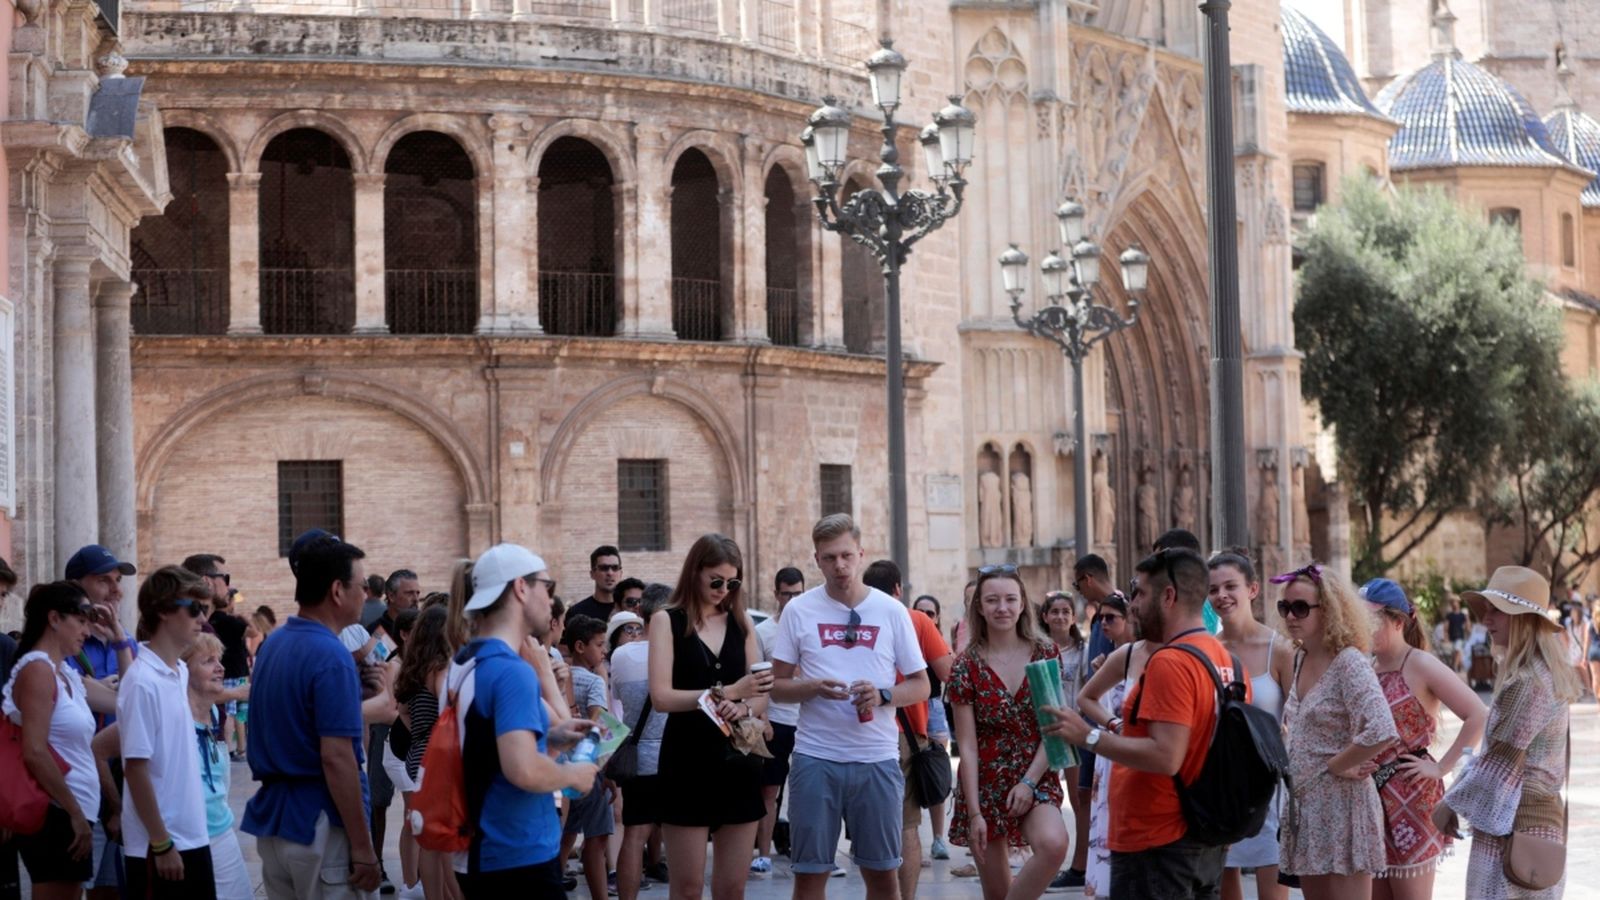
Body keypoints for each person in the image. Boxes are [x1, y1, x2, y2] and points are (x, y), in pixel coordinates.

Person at [1041, 549, 1249, 900]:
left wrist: (1088, 734)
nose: (1132, 604)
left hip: (1158, 840)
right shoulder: (1227, 660)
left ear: (1168, 597)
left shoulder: (1170, 662)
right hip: (1202, 838)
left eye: (1140, 592)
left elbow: (1165, 756)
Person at [771, 514, 929, 900]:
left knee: (881, 876)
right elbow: (777, 687)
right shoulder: (799, 611)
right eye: (829, 558)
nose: (839, 566)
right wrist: (811, 687)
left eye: (845, 555)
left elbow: (921, 684)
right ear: (817, 559)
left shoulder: (892, 612)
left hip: (876, 759)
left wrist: (882, 695)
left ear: (860, 554)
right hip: (815, 759)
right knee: (810, 876)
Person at [449, 543, 598, 897]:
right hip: (515, 854)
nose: (550, 600)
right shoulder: (512, 671)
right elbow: (523, 770)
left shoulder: (465, 660)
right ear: (520, 588)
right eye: (548, 587)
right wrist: (573, 774)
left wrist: (552, 739)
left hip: (483, 853)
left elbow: (485, 751)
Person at [244, 533, 383, 899]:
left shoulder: (275, 643)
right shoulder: (330, 654)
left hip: (278, 825)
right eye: (362, 585)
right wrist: (363, 848)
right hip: (318, 824)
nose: (366, 594)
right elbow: (337, 757)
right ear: (338, 590)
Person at [1434, 566, 1581, 899]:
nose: (1486, 620)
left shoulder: (1528, 681)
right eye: (1487, 610)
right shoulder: (1542, 673)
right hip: (1534, 828)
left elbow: (1497, 765)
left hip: (1515, 830)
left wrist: (1449, 802)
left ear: (1523, 619)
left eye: (1497, 611)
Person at [647, 534, 771, 900]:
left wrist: (746, 707)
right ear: (695, 572)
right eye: (715, 580)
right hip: (686, 760)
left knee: (732, 888)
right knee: (686, 888)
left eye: (732, 582)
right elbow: (661, 697)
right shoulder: (666, 621)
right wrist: (729, 693)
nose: (723, 589)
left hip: (737, 760)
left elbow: (762, 693)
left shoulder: (742, 621)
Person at [1274, 564, 1398, 900]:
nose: (1290, 616)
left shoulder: (1348, 661)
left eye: (1300, 607)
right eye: (1285, 607)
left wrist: (1339, 764)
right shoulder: (1299, 657)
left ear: (1328, 610)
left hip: (1343, 807)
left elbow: (1383, 727)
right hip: (1307, 808)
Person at [1360, 578, 1487, 899]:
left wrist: (1441, 767)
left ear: (1397, 621)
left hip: (1412, 795)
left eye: (1369, 620)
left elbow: (1478, 714)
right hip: (1371, 798)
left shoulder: (1420, 663)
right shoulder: (1366, 667)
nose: (1361, 628)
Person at [946, 566, 1067, 900]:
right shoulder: (965, 665)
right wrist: (973, 814)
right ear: (980, 608)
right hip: (984, 783)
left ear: (1023, 604)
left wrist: (1029, 782)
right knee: (997, 893)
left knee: (1054, 844)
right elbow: (966, 748)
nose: (1002, 607)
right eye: (993, 600)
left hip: (1035, 773)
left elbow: (1053, 729)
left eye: (1011, 599)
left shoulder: (1045, 654)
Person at [117, 565, 214, 899]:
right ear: (162, 610)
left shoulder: (180, 671)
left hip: (192, 837)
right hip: (160, 846)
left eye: (204, 608)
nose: (202, 618)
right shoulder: (142, 681)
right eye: (193, 608)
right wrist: (161, 843)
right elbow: (136, 767)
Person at [2, 582, 104, 900]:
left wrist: (119, 642)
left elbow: (127, 702)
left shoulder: (65, 672)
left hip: (72, 809)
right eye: (82, 618)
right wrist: (74, 812)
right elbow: (34, 750)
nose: (87, 629)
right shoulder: (37, 671)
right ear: (54, 618)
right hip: (57, 811)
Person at [860, 560, 954, 900]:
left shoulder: (855, 619)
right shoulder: (916, 620)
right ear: (899, 589)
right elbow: (948, 673)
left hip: (860, 732)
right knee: (906, 826)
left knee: (870, 827)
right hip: (904, 734)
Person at [1208, 552, 1293, 900]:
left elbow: (1298, 718)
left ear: (1253, 589)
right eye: (1213, 589)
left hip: (1268, 787)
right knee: (1224, 886)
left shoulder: (1280, 650)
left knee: (1273, 887)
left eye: (1231, 586)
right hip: (1218, 784)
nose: (1221, 596)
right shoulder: (1206, 650)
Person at [1066, 593, 1145, 897]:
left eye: (1112, 617)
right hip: (1111, 752)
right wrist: (1114, 725)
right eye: (1101, 618)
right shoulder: (1118, 656)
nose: (1104, 624)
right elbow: (1088, 697)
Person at [392, 605, 460, 900]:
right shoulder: (441, 668)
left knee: (431, 838)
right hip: (437, 759)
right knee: (446, 839)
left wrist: (420, 736)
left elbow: (403, 711)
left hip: (417, 756)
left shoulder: (414, 668)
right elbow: (452, 702)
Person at [180, 633, 254, 900]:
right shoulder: (173, 712)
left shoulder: (212, 712)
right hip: (186, 838)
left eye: (218, 660)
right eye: (208, 661)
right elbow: (102, 748)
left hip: (221, 829)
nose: (220, 667)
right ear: (183, 669)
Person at [610, 587, 672, 899]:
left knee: (634, 835)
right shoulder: (680, 653)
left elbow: (617, 704)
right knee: (683, 835)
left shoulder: (620, 656)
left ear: (641, 615)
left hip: (637, 760)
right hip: (676, 756)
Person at [752, 566, 805, 876]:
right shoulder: (764, 632)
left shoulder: (810, 626)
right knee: (769, 791)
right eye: (787, 594)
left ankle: (805, 850)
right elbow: (757, 680)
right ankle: (763, 854)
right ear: (776, 594)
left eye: (797, 594)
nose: (792, 599)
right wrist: (764, 718)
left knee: (806, 790)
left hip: (809, 722)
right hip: (777, 721)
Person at [558, 613, 614, 900]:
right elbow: (598, 728)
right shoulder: (594, 681)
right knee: (597, 837)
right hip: (588, 767)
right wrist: (607, 774)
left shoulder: (561, 675)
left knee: (567, 831)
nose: (603, 651)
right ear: (580, 646)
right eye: (599, 645)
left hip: (561, 765)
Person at [1038, 590, 1089, 890]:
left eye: (1065, 611)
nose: (1059, 616)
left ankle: (1080, 864)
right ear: (1044, 616)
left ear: (1073, 617)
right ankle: (1042, 860)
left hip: (1072, 730)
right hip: (1041, 732)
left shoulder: (1081, 651)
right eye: (1054, 611)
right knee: (1042, 798)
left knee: (1078, 799)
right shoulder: (1038, 649)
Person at [183, 555, 252, 763]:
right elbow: (189, 691)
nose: (229, 587)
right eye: (226, 578)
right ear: (207, 581)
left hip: (211, 733)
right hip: (196, 738)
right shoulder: (194, 630)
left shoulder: (206, 626)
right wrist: (238, 692)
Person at [910, 593, 953, 864]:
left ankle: (938, 838)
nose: (926, 617)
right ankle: (911, 841)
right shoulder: (905, 639)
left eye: (931, 613)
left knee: (935, 771)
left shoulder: (940, 645)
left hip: (933, 708)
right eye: (921, 612)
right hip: (909, 706)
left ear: (937, 618)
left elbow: (948, 672)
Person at [569, 545, 624, 624]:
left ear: (620, 573)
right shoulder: (577, 613)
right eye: (604, 568)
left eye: (615, 567)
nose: (610, 573)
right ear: (592, 574)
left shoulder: (629, 610)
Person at [1586, 598, 1600, 703]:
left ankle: (1598, 703)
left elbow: (1586, 641)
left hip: (1593, 651)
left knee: (1595, 678)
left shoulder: (1590, 622)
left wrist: (1584, 657)